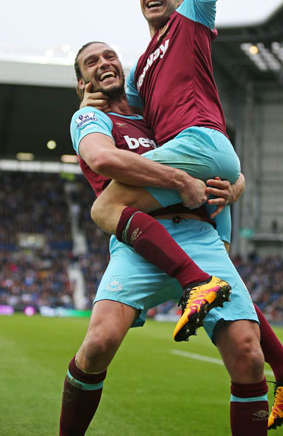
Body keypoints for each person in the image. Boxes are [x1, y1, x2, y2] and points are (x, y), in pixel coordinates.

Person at [81, 0, 283, 430]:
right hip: (202, 180)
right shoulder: (141, 69)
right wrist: (91, 93)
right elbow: (117, 112)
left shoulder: (192, 20)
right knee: (243, 344)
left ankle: (195, 284)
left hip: (198, 148)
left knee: (107, 202)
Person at [60, 41, 269, 436]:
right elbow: (103, 159)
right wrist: (179, 180)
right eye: (92, 62)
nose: (104, 63)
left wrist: (237, 186)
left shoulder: (156, 120)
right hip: (139, 241)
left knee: (248, 355)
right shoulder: (90, 119)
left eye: (109, 57)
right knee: (98, 344)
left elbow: (212, 156)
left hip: (198, 234)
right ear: (81, 82)